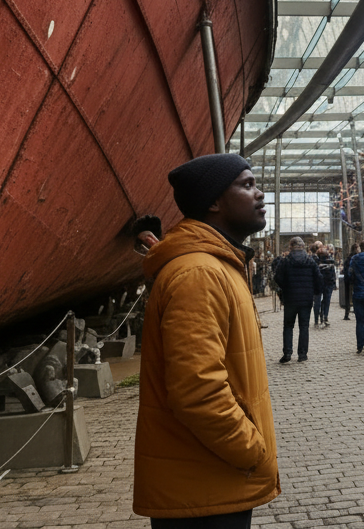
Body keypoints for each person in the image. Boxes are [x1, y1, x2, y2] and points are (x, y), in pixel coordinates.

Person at [133, 153, 279, 527]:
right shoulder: (199, 273)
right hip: (206, 489)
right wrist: (251, 450)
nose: (260, 194)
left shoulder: (217, 264)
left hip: (210, 481)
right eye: (247, 185)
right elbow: (197, 389)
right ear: (214, 201)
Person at [273, 237, 320, 363]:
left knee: (288, 326)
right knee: (304, 326)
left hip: (290, 298)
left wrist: (286, 287)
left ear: (291, 246)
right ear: (303, 246)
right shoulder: (310, 261)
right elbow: (318, 278)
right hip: (306, 299)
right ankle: (302, 354)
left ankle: (287, 352)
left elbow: (277, 277)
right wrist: (314, 291)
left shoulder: (285, 261)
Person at [316, 245, 337, 326]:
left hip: (320, 284)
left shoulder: (317, 264)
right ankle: (325, 316)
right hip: (329, 283)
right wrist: (334, 283)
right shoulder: (331, 262)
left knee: (320, 300)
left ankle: (320, 315)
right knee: (327, 300)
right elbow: (333, 274)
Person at [342, 243, 360, 320]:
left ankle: (347, 313)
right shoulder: (356, 258)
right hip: (354, 279)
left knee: (347, 296)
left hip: (347, 279)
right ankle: (356, 311)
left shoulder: (348, 258)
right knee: (355, 296)